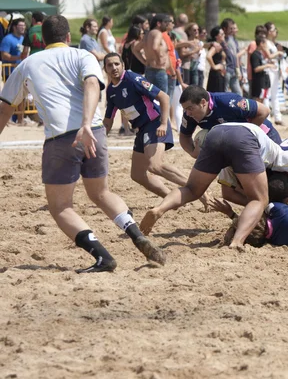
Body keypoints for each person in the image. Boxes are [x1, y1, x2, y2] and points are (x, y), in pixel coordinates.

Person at [0, 15, 165, 272]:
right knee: (101, 193)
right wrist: (87, 123)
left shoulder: (28, 63)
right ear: (68, 37)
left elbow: (4, 108)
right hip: (95, 132)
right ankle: (136, 235)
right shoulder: (83, 55)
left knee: (61, 207)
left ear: (43, 40)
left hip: (61, 137)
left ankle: (102, 256)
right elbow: (92, 85)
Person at [139, 123, 284, 248]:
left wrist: (232, 213)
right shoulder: (278, 154)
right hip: (244, 139)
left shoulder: (275, 153)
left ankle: (160, 209)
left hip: (215, 133)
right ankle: (237, 242)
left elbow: (227, 193)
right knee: (258, 200)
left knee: (191, 189)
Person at [102, 53, 188, 197]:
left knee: (155, 165)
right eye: (109, 65)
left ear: (123, 65)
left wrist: (163, 124)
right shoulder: (111, 90)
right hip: (142, 129)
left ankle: (197, 188)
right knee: (137, 174)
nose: (114, 67)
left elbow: (164, 97)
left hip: (155, 123)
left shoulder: (132, 78)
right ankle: (170, 198)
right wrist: (98, 140)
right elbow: (108, 121)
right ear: (105, 69)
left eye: (117, 64)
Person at [190, 122, 288, 208]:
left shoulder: (272, 153)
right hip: (246, 140)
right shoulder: (226, 161)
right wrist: (259, 204)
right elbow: (228, 194)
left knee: (271, 190)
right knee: (257, 194)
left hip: (258, 141)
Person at [178, 85, 282, 159]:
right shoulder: (190, 114)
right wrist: (193, 152)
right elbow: (184, 136)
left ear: (203, 103)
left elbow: (264, 111)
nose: (187, 113)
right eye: (185, 109)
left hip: (266, 136)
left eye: (190, 108)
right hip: (236, 146)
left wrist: (243, 136)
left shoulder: (228, 102)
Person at [142, 14, 171, 93]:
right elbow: (155, 47)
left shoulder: (148, 34)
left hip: (149, 70)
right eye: (165, 22)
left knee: (151, 99)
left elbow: (135, 49)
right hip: (158, 71)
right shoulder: (158, 33)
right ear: (158, 23)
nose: (167, 24)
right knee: (163, 100)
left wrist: (144, 61)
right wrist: (159, 59)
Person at [264, 22, 284, 125]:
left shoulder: (272, 43)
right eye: (273, 29)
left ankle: (277, 116)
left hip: (275, 69)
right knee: (267, 94)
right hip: (269, 71)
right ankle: (267, 117)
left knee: (275, 93)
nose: (275, 31)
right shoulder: (265, 43)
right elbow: (268, 56)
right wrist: (278, 53)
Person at [250, 36, 276, 103]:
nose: (267, 46)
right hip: (259, 81)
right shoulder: (255, 54)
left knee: (263, 98)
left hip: (264, 80)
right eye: (265, 44)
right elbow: (256, 68)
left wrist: (268, 62)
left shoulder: (260, 54)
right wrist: (267, 65)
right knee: (258, 100)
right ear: (261, 43)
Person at [221, 18, 243, 96]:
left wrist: (238, 69)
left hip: (233, 70)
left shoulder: (232, 39)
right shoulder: (222, 40)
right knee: (225, 93)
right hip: (227, 70)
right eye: (230, 28)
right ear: (224, 29)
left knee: (239, 93)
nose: (232, 30)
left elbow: (235, 55)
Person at [206, 26, 227, 92]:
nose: (224, 35)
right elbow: (208, 56)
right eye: (222, 34)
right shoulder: (216, 47)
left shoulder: (219, 45)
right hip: (216, 74)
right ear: (216, 36)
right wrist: (214, 67)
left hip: (219, 73)